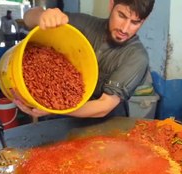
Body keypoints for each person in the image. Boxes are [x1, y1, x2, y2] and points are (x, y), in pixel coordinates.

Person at [18, 0, 155, 119]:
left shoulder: (136, 56)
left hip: (105, 127)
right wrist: (41, 15)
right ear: (111, 4)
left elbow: (104, 106)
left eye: (135, 22)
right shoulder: (85, 25)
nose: (125, 29)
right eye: (121, 16)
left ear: (145, 20)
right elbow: (28, 17)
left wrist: (55, 108)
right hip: (58, 119)